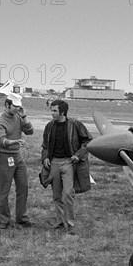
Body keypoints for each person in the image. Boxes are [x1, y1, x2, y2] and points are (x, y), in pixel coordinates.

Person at [41, 99, 92, 234]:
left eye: (54, 111)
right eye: (51, 110)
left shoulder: (75, 125)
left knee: (68, 193)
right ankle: (60, 222)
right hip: (54, 164)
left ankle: (70, 223)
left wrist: (79, 154)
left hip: (69, 163)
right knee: (57, 196)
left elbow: (88, 141)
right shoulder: (49, 126)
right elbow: (45, 145)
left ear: (62, 112)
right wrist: (45, 157)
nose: (51, 113)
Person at [0, 92, 34, 229]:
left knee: (23, 187)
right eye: (15, 106)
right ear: (7, 105)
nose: (17, 109)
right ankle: (4, 219)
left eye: (19, 107)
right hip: (5, 157)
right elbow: (1, 140)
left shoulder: (18, 117)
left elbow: (30, 131)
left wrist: (25, 117)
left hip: (17, 156)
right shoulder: (0, 121)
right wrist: (13, 142)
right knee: (4, 190)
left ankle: (21, 217)